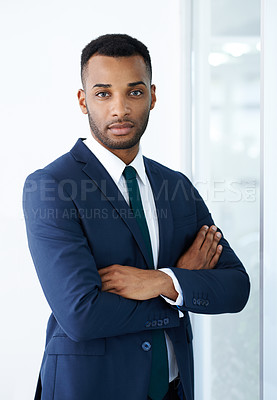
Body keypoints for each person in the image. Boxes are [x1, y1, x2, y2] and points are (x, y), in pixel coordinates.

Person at [23, 34, 250, 400]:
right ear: (83, 101)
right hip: (91, 388)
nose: (119, 109)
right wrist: (179, 287)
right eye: (103, 94)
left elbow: (237, 288)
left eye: (134, 92)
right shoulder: (51, 186)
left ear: (152, 96)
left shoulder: (176, 187)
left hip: (175, 390)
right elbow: (81, 315)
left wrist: (161, 280)